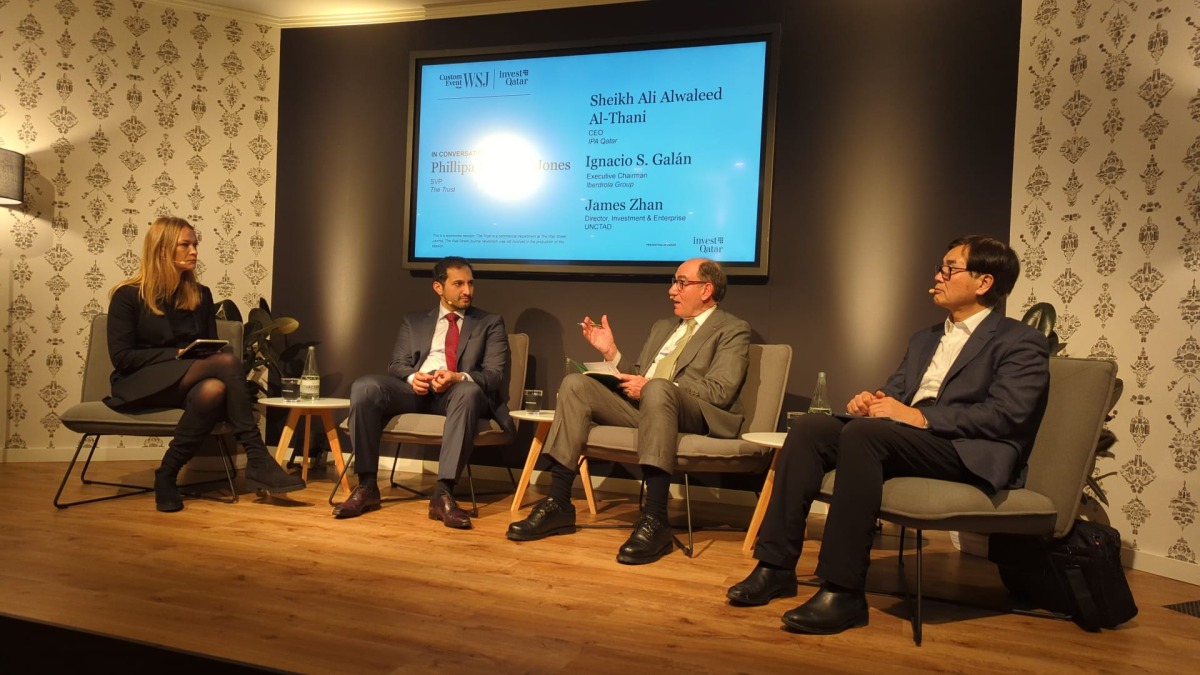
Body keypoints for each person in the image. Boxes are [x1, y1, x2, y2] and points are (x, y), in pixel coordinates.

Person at [726, 235, 1050, 634]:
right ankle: (775, 566)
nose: (937, 276)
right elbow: (896, 392)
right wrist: (872, 401)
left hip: (967, 450)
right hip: (911, 436)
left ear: (984, 283)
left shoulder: (1020, 341)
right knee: (811, 427)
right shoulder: (925, 338)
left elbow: (1007, 416)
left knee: (865, 437)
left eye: (949, 268)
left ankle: (843, 592)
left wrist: (920, 418)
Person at [507, 258, 751, 564]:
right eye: (673, 282)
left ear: (706, 289)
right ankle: (559, 503)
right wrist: (611, 353)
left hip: (696, 415)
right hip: (650, 406)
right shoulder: (664, 327)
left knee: (659, 388)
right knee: (575, 383)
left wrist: (654, 385)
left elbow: (720, 390)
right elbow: (637, 375)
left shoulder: (732, 329)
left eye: (681, 283)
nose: (671, 290)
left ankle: (655, 518)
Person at [106, 216, 306, 512]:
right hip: (141, 384)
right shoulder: (128, 296)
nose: (194, 251)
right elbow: (122, 358)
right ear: (162, 250)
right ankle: (257, 456)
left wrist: (192, 355)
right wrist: (177, 353)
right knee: (224, 365)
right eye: (185, 245)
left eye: (195, 244)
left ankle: (167, 474)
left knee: (212, 389)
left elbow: (210, 351)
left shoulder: (200, 295)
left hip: (186, 382)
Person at [335, 256, 512, 528]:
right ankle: (368, 485)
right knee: (365, 386)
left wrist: (456, 377)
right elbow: (397, 364)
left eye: (470, 284)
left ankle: (443, 493)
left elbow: (494, 374)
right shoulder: (414, 321)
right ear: (438, 288)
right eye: (459, 284)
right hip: (415, 391)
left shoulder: (489, 322)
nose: (468, 291)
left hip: (456, 394)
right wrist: (411, 377)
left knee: (468, 391)